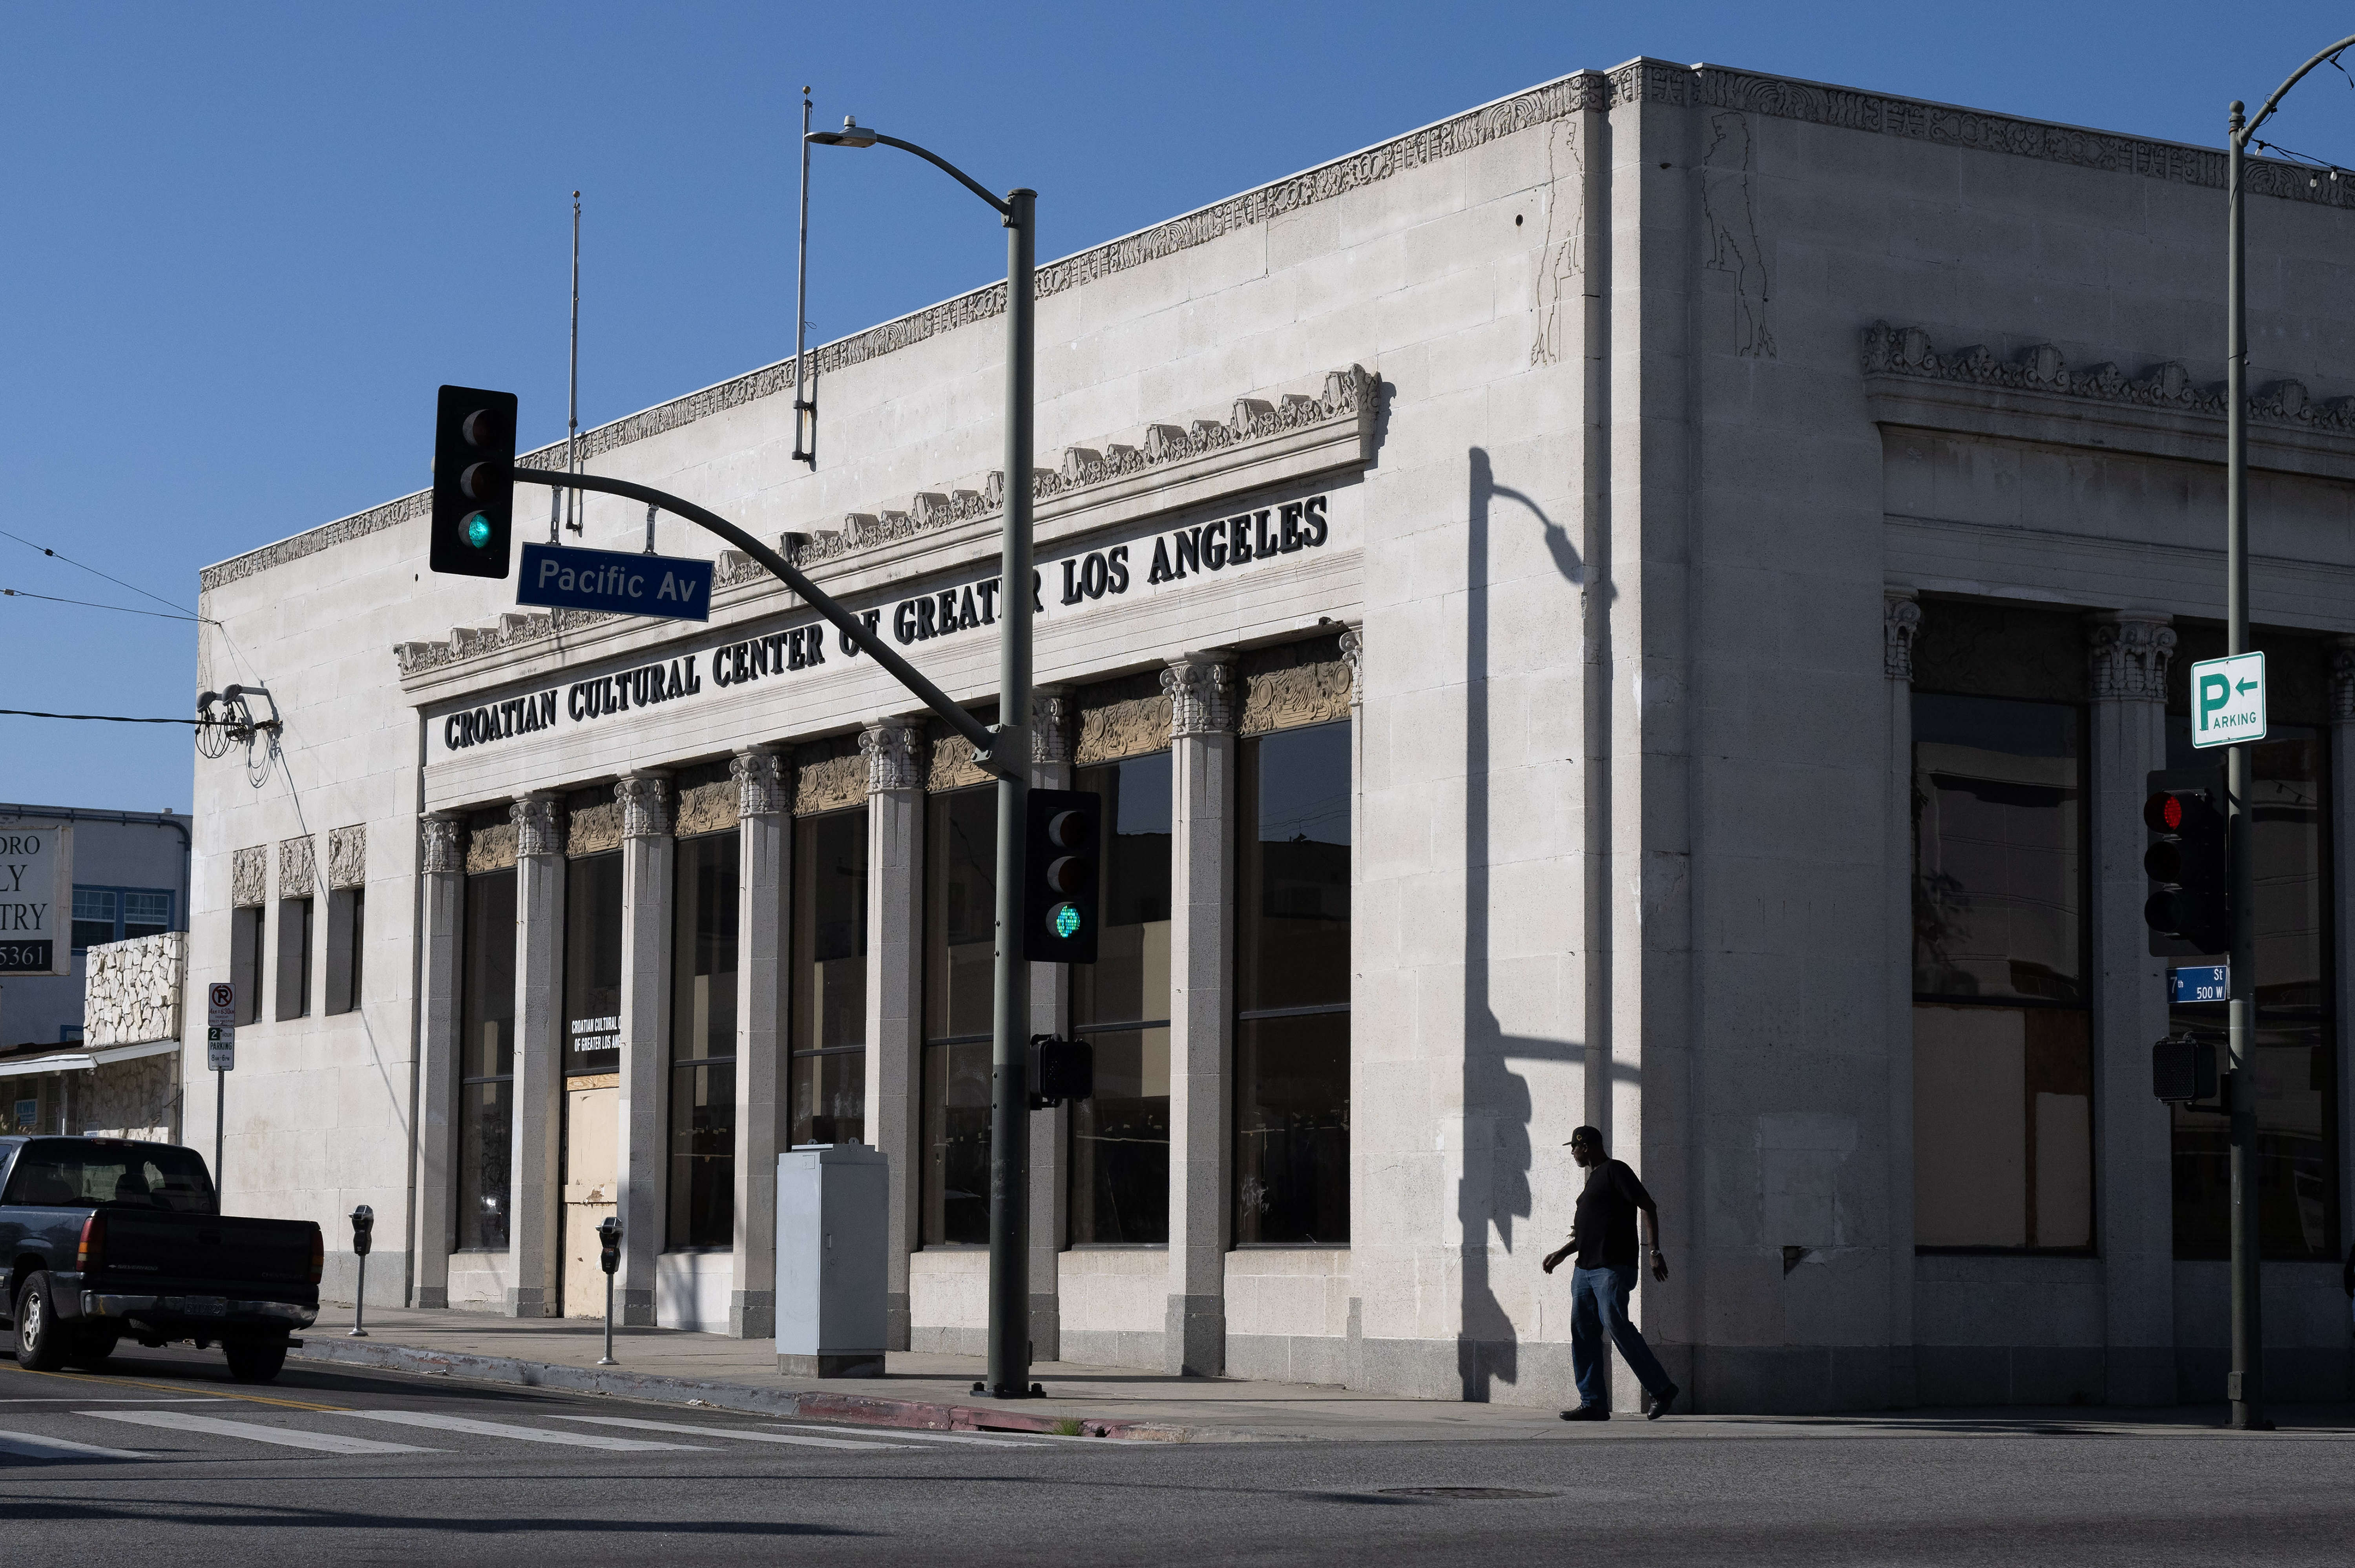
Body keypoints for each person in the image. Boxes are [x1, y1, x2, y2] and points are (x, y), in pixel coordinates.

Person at [1543, 1125, 1678, 1420]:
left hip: (1612, 1267)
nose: (1572, 1153)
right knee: (1583, 1333)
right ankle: (1593, 1403)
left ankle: (1662, 1389)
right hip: (1585, 1270)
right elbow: (1587, 1235)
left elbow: (1648, 1205)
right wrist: (1562, 1254)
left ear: (1586, 1146)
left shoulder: (1616, 1170)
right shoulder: (1592, 1182)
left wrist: (1654, 1251)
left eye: (1574, 1148)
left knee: (1615, 1324)